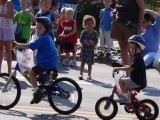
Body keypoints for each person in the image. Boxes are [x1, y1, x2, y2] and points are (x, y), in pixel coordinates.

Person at [13, 17, 58, 104]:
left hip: (46, 62)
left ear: (46, 29)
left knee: (31, 72)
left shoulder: (42, 38)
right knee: (40, 76)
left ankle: (37, 92)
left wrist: (18, 44)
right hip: (51, 61)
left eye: (40, 28)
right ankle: (46, 86)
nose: (37, 29)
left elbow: (30, 46)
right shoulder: (47, 37)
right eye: (37, 27)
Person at [110, 0, 144, 68]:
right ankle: (127, 73)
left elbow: (142, 9)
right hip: (118, 24)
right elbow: (119, 6)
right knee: (123, 48)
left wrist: (140, 27)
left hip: (131, 26)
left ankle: (133, 73)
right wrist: (114, 11)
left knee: (132, 50)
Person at [113, 35, 147, 103]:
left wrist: (118, 68)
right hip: (139, 81)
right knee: (125, 86)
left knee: (121, 81)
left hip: (137, 81)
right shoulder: (137, 57)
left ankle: (126, 98)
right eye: (130, 47)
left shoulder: (138, 58)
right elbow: (132, 67)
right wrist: (124, 66)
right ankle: (132, 101)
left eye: (134, 48)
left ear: (140, 49)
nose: (131, 49)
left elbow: (130, 68)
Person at [79, 15, 98, 80]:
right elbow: (81, 40)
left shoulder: (95, 33)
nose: (90, 25)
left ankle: (89, 75)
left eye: (91, 23)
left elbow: (96, 41)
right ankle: (81, 74)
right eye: (88, 24)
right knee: (82, 62)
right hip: (84, 49)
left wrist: (93, 43)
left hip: (90, 50)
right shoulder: (84, 32)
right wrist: (85, 42)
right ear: (85, 25)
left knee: (89, 63)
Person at [0, 0, 15, 73]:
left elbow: (12, 16)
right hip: (0, 28)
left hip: (7, 28)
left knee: (8, 49)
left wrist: (2, 15)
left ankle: (9, 70)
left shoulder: (8, 2)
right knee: (0, 49)